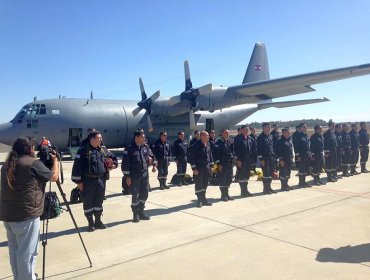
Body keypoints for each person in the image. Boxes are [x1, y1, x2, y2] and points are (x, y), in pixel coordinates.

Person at [0, 137, 59, 280]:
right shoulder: (33, 163)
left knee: (15, 251)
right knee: (27, 253)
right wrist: (55, 161)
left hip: (8, 215)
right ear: (29, 149)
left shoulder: (8, 164)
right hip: (26, 216)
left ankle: (21, 277)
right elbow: (54, 177)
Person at [71, 131, 118, 231]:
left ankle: (98, 221)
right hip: (87, 181)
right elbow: (77, 167)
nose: (101, 140)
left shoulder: (103, 150)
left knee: (99, 201)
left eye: (101, 138)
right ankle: (90, 223)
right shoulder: (83, 151)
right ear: (92, 139)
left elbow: (113, 158)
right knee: (88, 202)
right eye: (98, 138)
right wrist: (78, 182)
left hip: (101, 180)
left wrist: (113, 165)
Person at [122, 130, 157, 222]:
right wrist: (127, 177)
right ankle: (135, 214)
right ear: (136, 138)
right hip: (134, 175)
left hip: (145, 174)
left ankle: (141, 212)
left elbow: (152, 156)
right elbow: (125, 164)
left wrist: (154, 164)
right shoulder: (129, 149)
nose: (144, 138)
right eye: (142, 137)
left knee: (144, 193)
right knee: (135, 195)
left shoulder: (145, 147)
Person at [188, 131, 214, 207]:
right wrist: (194, 168)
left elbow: (210, 155)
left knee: (205, 183)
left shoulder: (208, 144)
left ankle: (204, 199)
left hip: (207, 168)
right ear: (202, 136)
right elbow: (192, 158)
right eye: (207, 135)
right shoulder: (196, 146)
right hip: (199, 168)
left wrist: (212, 166)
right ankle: (199, 200)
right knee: (198, 184)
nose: (208, 137)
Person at [214, 129, 235, 201]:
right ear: (222, 134)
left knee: (229, 179)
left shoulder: (229, 142)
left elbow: (231, 152)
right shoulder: (219, 142)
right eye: (226, 133)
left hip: (229, 164)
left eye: (228, 133)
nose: (228, 135)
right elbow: (216, 155)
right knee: (222, 180)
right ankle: (223, 195)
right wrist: (219, 164)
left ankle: (227, 194)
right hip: (222, 164)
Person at [257, 122, 278, 194]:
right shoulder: (260, 137)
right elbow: (258, 149)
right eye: (268, 127)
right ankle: (265, 189)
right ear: (263, 128)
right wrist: (261, 159)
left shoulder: (270, 136)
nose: (269, 128)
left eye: (270, 127)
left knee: (271, 173)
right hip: (264, 158)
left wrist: (275, 156)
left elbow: (272, 147)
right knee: (266, 174)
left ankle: (269, 187)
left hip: (271, 157)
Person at [234, 125, 253, 197]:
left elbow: (251, 150)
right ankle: (243, 191)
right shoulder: (238, 138)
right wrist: (238, 160)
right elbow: (236, 150)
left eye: (247, 129)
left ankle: (245, 190)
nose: (247, 131)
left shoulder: (249, 138)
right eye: (245, 129)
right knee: (242, 176)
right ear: (241, 130)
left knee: (247, 175)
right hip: (241, 160)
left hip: (248, 160)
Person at [295, 123, 311, 188]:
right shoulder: (298, 136)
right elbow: (296, 147)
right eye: (304, 127)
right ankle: (301, 183)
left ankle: (304, 182)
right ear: (300, 128)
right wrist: (298, 156)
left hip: (307, 154)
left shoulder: (306, 135)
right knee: (301, 170)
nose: (306, 128)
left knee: (305, 169)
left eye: (306, 127)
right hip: (301, 155)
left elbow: (308, 145)